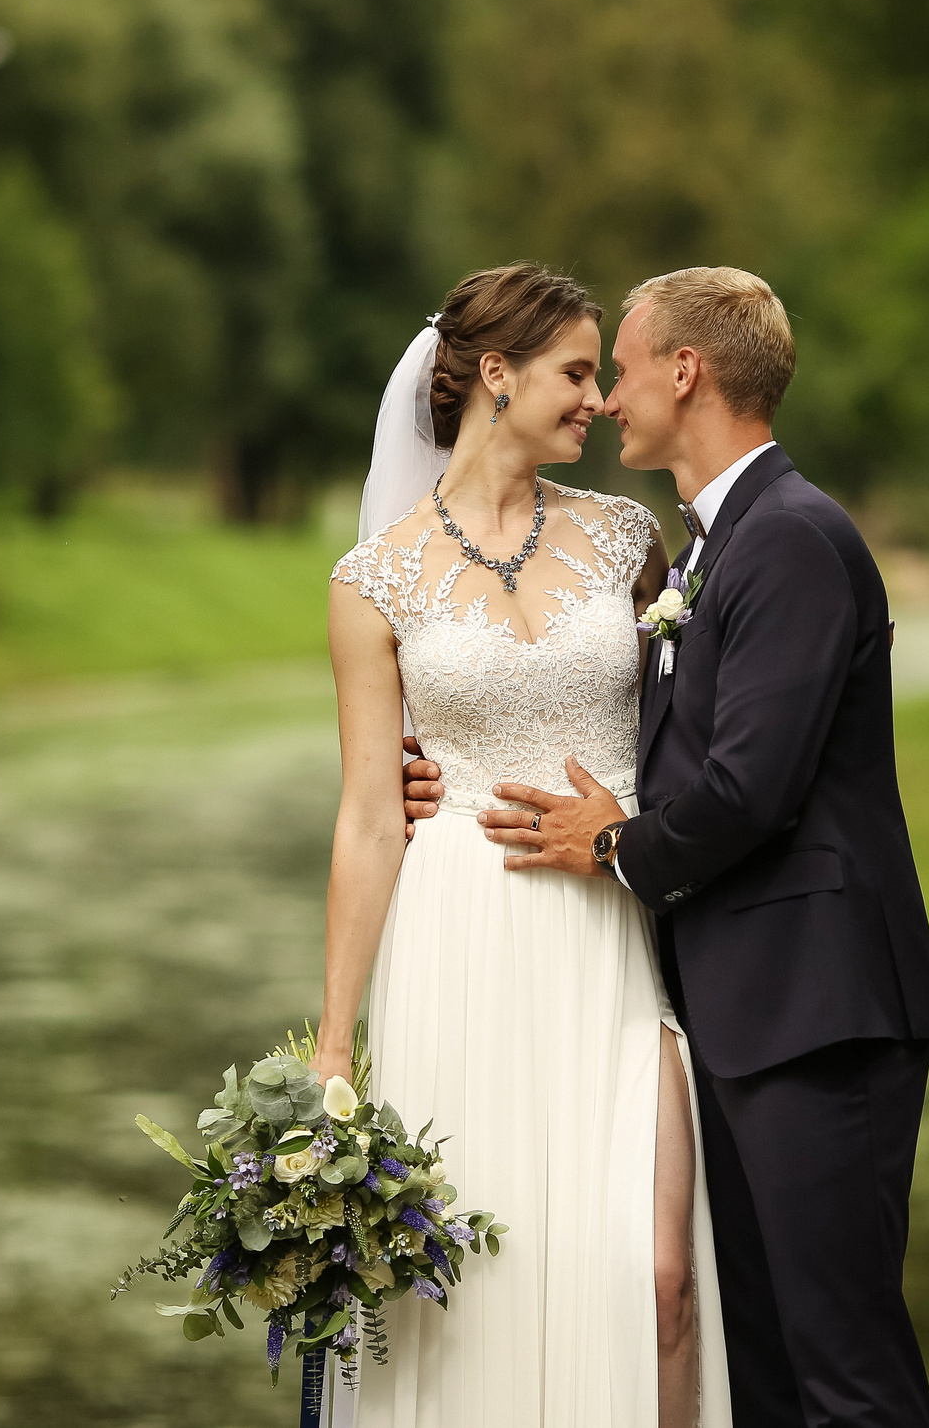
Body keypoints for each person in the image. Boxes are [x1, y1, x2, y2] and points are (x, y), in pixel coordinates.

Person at [411, 267, 929, 1427]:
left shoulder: (796, 539)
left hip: (821, 1009)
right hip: (738, 1011)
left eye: (623, 369)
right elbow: (652, 733)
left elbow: (752, 785)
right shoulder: (708, 549)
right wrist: (437, 778)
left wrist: (613, 841)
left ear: (686, 372)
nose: (606, 399)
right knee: (759, 1368)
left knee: (845, 1371)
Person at [318, 262, 733, 1426]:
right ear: (494, 376)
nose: (599, 400)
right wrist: (337, 1045)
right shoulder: (372, 581)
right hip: (455, 940)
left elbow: (691, 730)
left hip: (606, 936)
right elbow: (363, 814)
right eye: (575, 373)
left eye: (602, 374)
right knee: (468, 1299)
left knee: (655, 1278)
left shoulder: (627, 541)